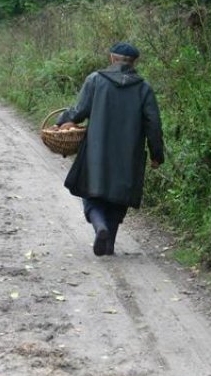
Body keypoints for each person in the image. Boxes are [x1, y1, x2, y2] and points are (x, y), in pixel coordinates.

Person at [54, 42, 164, 256]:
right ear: (134, 62)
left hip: (97, 151)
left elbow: (79, 111)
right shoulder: (144, 88)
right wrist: (156, 154)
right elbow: (154, 124)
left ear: (112, 59)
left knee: (91, 193)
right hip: (128, 154)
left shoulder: (95, 80)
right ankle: (109, 243)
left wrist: (61, 122)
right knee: (118, 198)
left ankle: (99, 227)